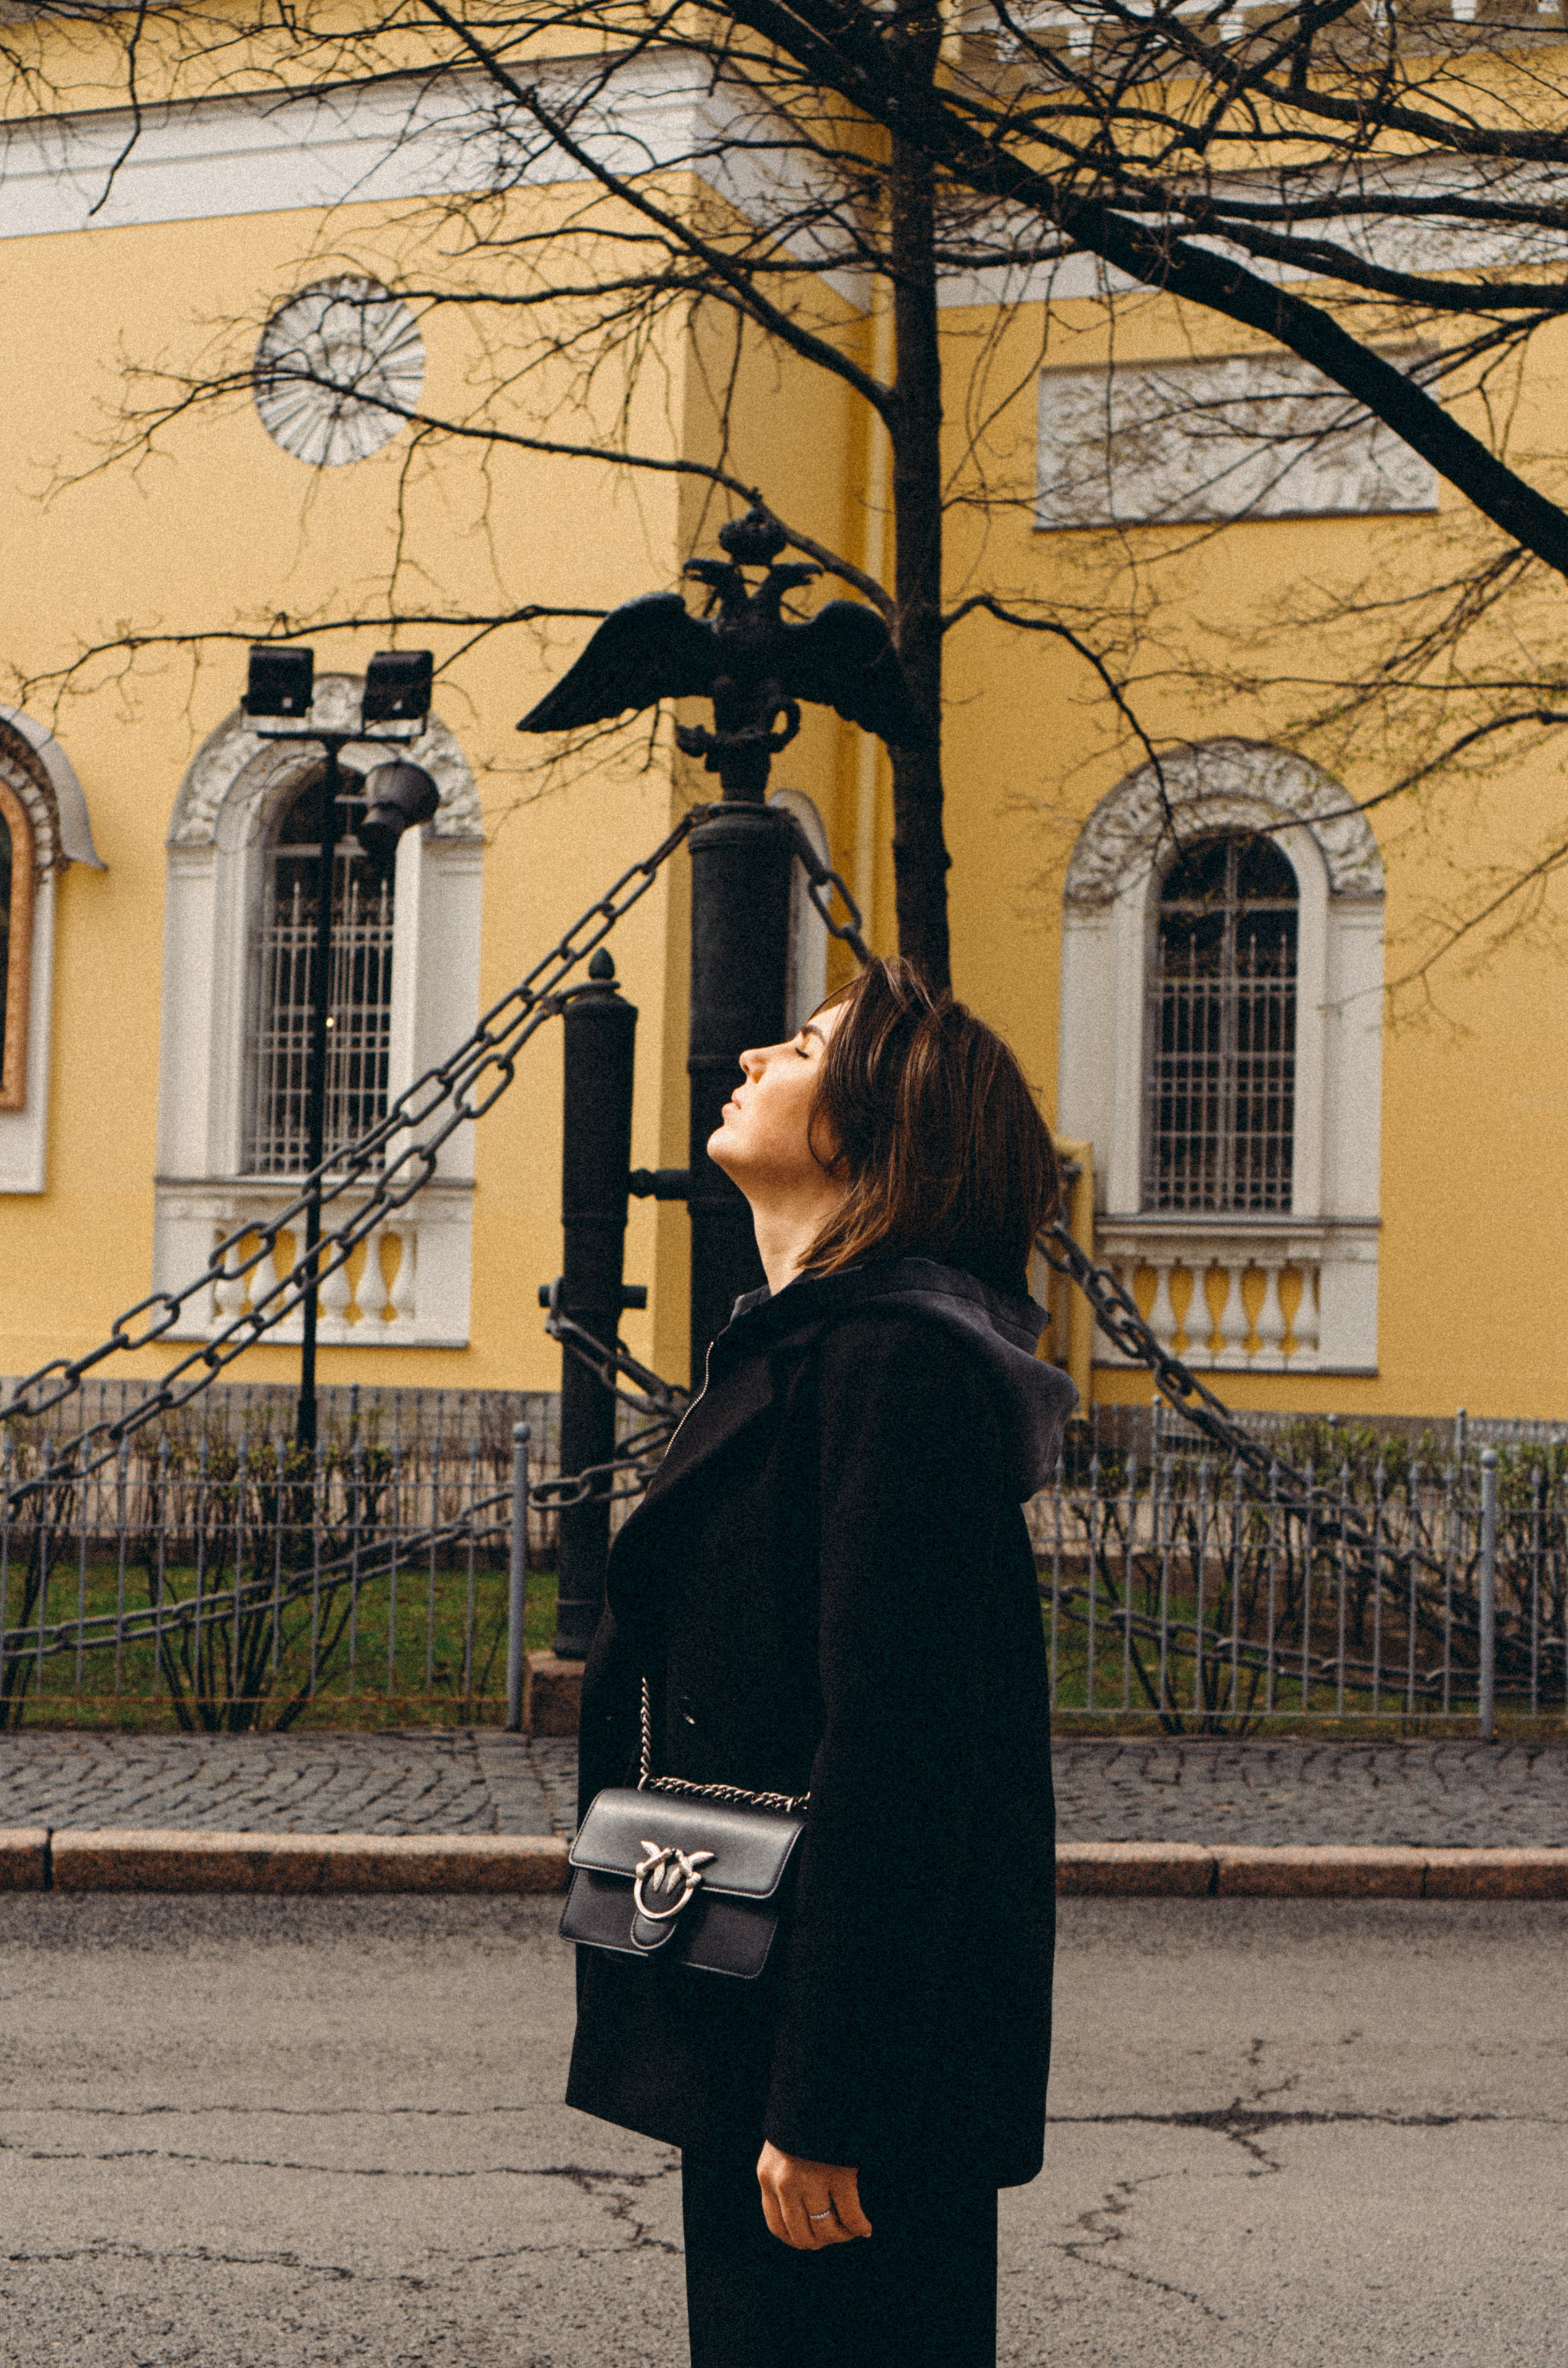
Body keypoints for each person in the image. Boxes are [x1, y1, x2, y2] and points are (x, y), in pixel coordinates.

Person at [566, 955, 1078, 2368]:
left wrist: (828, 2102)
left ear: (866, 1128)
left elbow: (900, 1757)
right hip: (749, 1995)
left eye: (798, 1048)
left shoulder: (894, 1372)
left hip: (834, 2060)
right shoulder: (805, 1352)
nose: (748, 1060)